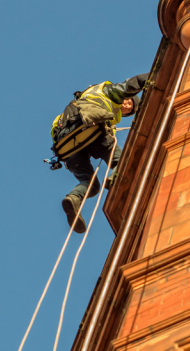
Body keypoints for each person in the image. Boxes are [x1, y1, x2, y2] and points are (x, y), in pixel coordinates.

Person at [50, 73, 150, 233]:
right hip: (90, 129)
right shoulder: (107, 92)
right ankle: (114, 177)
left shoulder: (77, 103)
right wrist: (152, 76)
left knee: (91, 185)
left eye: (129, 110)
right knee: (121, 159)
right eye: (128, 101)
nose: (126, 106)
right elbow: (131, 84)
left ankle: (74, 199)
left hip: (66, 145)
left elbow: (55, 130)